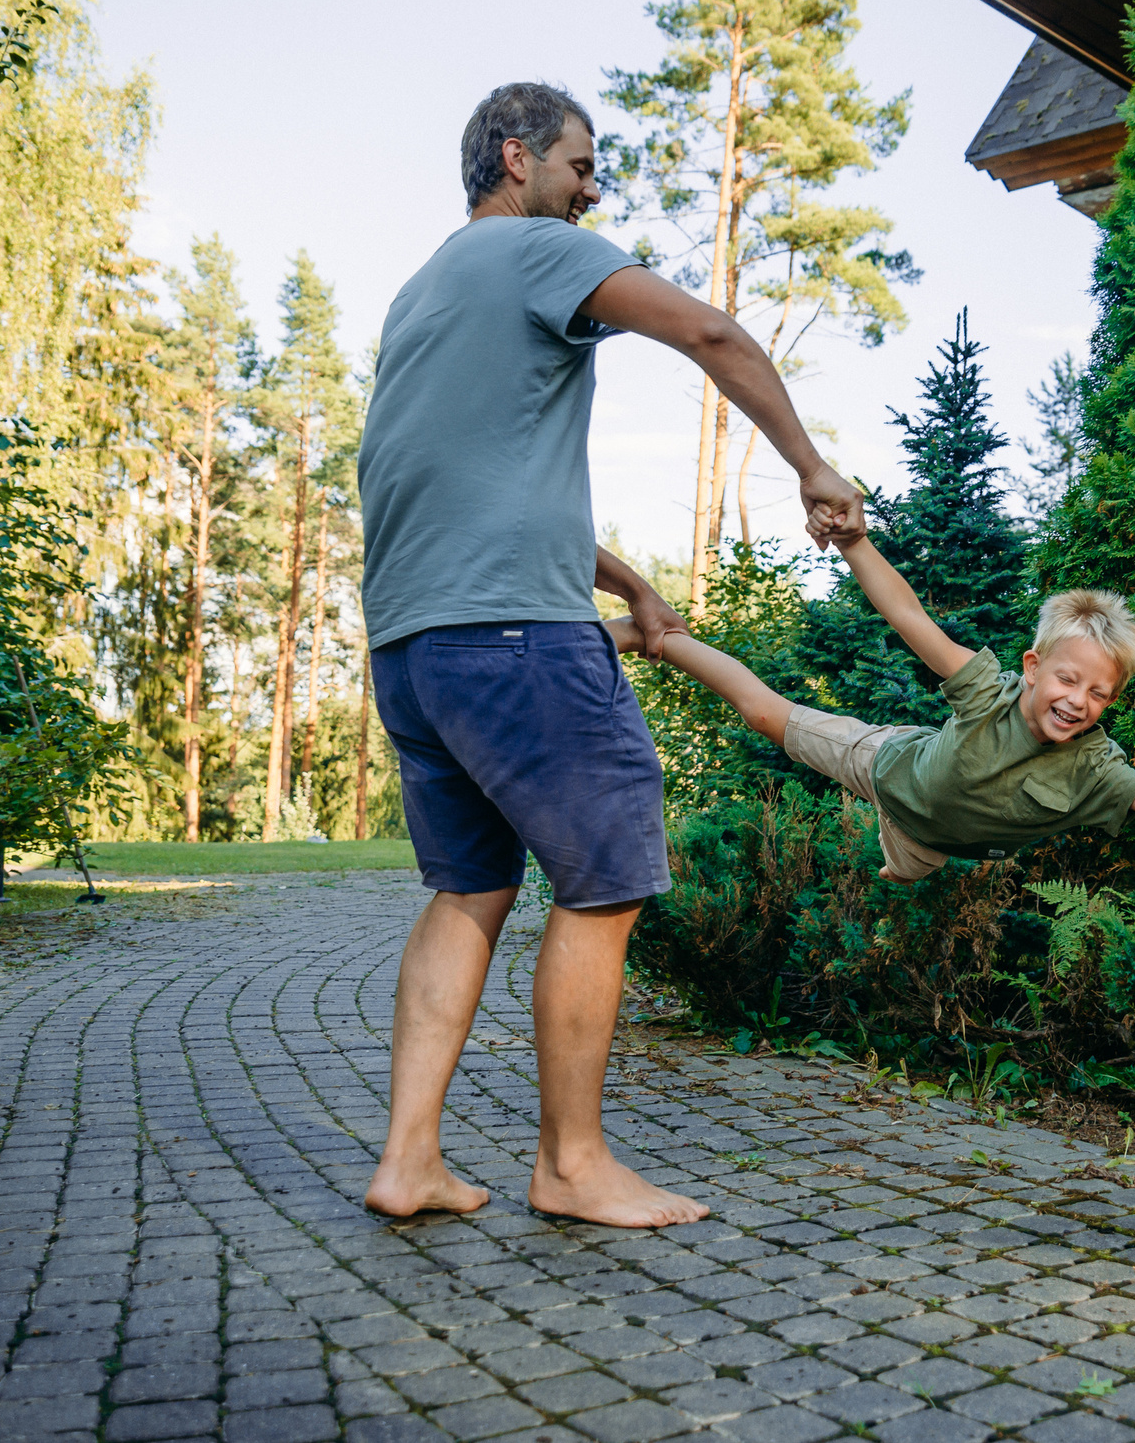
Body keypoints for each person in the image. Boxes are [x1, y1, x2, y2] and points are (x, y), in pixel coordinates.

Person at [356, 81, 863, 1227]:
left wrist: (625, 579)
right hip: (513, 636)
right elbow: (709, 331)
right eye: (581, 165)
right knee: (607, 874)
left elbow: (468, 479)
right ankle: (572, 1164)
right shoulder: (537, 247)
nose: (593, 190)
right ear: (513, 153)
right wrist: (811, 465)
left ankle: (409, 1159)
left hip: (413, 643)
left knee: (467, 885)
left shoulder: (422, 291)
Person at [608, 532, 1135, 877]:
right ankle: (662, 638)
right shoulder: (988, 692)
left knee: (903, 873)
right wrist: (854, 542)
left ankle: (898, 862)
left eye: (1100, 693)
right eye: (1068, 680)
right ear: (1034, 667)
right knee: (768, 714)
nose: (1079, 701)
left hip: (930, 841)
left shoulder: (1096, 767)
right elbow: (910, 618)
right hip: (889, 766)